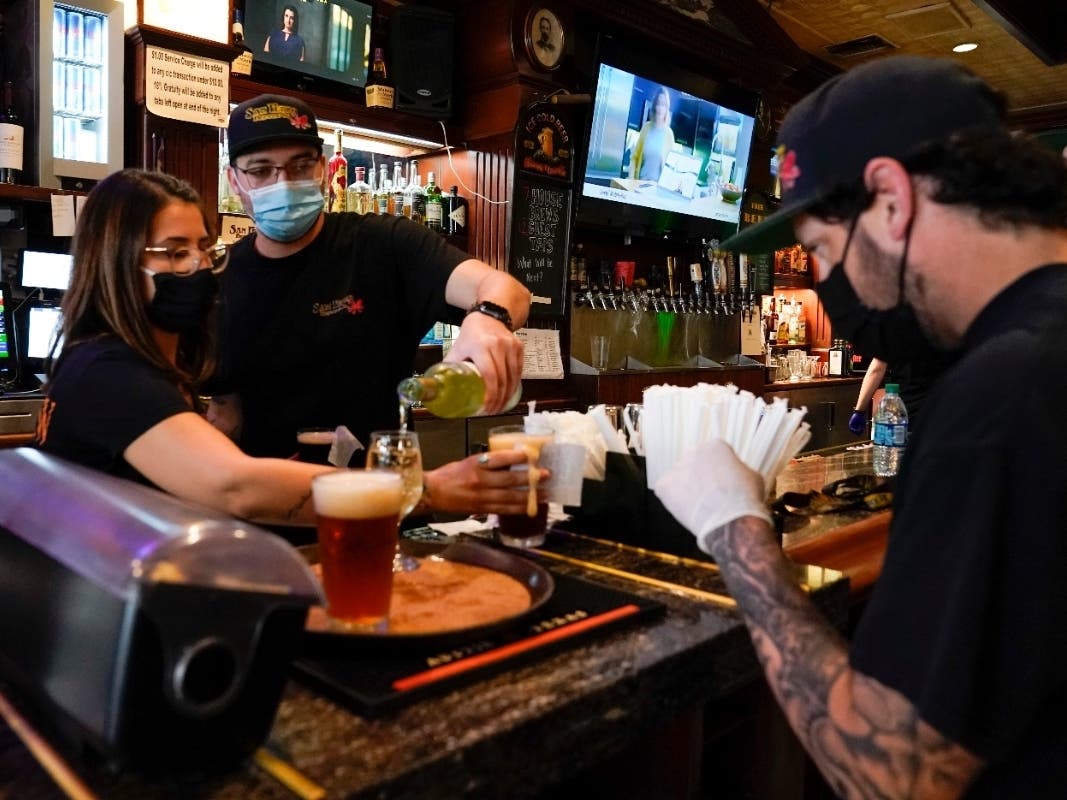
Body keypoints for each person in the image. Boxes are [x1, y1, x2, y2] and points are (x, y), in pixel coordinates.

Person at [655, 55, 1067, 796]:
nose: (823, 279)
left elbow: (890, 776)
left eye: (819, 248)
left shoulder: (1001, 397)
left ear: (889, 197)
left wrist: (732, 528)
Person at [211, 93, 536, 516]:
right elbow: (226, 413)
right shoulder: (219, 279)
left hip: (385, 515)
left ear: (325, 171)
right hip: (275, 518)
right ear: (235, 182)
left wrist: (489, 319)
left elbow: (503, 287)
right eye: (260, 171)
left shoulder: (383, 243)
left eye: (300, 165)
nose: (284, 183)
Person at [33, 169, 333, 527]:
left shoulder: (152, 364)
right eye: (175, 252)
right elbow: (238, 488)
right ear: (118, 262)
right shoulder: (108, 372)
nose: (199, 266)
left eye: (204, 248)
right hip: (97, 581)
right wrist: (410, 488)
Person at [847, 352, 953, 436]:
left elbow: (877, 369)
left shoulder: (896, 328)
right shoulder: (946, 328)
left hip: (907, 410)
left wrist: (859, 410)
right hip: (943, 410)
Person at [629, 86, 675, 182]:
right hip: (639, 184)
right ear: (654, 106)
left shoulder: (669, 134)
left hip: (657, 189)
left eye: (663, 105)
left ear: (667, 108)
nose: (660, 108)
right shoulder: (646, 128)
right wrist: (631, 179)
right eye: (658, 104)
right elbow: (635, 157)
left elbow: (671, 167)